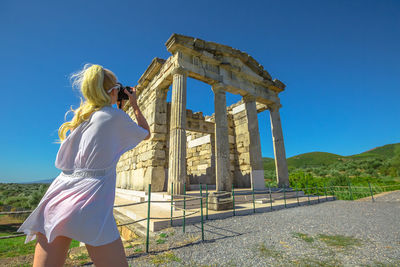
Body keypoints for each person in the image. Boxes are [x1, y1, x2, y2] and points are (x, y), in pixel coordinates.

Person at [17, 64, 150, 267]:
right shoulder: (115, 117)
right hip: (91, 200)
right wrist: (134, 104)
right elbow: (145, 132)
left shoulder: (82, 119)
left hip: (58, 194)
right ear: (113, 90)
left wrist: (118, 108)